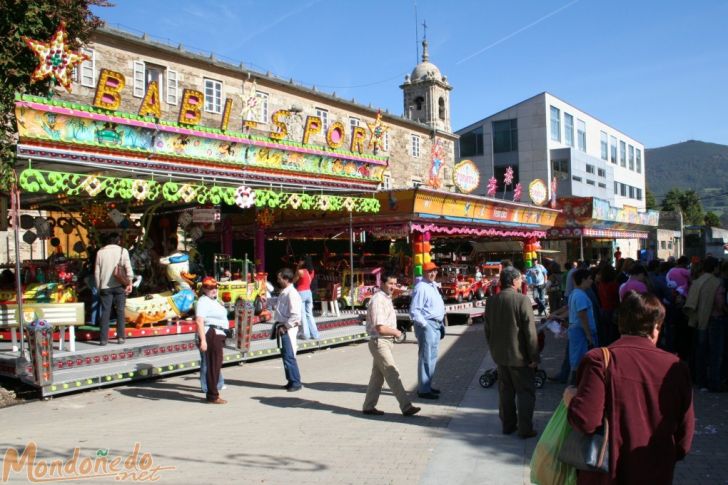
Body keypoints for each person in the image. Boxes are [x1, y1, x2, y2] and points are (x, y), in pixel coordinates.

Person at [564, 292, 695, 484]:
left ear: (620, 323)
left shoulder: (599, 360)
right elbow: (684, 439)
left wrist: (571, 401)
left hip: (607, 474)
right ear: (655, 327)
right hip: (656, 472)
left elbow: (586, 421)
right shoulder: (676, 367)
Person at [484, 266, 540, 438]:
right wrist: (534, 356)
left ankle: (508, 425)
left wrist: (493, 349)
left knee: (505, 392)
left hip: (501, 356)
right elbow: (530, 332)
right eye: (520, 279)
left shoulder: (492, 301)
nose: (521, 281)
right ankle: (525, 429)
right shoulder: (522, 300)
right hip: (520, 357)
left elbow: (487, 330)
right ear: (514, 280)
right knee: (525, 392)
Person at [362, 274, 421, 417]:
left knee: (377, 377)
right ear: (382, 283)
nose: (393, 286)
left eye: (395, 283)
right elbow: (380, 328)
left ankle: (368, 407)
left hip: (384, 342)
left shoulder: (385, 298)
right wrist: (397, 332)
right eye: (390, 283)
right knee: (392, 372)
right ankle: (406, 406)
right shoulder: (378, 300)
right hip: (380, 341)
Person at [409, 261, 446, 400]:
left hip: (435, 324)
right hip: (428, 324)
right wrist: (425, 325)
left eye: (434, 271)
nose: (433, 273)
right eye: (430, 271)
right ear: (424, 273)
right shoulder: (421, 287)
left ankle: (427, 385)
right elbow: (414, 310)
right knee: (426, 357)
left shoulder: (432, 285)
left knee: (432, 357)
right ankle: (424, 390)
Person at [264, 268, 304, 392]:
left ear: (286, 279)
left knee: (289, 356)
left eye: (280, 278)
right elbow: (278, 302)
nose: (278, 280)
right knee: (285, 356)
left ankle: (296, 382)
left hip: (288, 328)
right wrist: (267, 300)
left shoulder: (292, 294)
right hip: (283, 327)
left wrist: (285, 326)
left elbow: (296, 316)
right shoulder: (285, 292)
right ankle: (291, 380)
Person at [94, 233, 133, 345]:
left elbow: (97, 272)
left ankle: (103, 339)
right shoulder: (123, 251)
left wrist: (98, 286)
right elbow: (128, 268)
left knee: (105, 311)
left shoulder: (100, 252)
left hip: (105, 286)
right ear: (118, 241)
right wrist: (129, 283)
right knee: (120, 311)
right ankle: (121, 337)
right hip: (119, 285)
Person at [195, 277, 228, 404]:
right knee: (213, 365)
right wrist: (203, 340)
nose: (214, 290)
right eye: (210, 288)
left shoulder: (214, 301)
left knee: (216, 364)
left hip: (217, 333)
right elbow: (199, 321)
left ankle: (212, 393)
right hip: (211, 333)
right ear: (204, 289)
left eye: (215, 287)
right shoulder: (203, 301)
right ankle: (212, 395)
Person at [568, 269, 598, 384]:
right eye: (590, 278)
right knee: (580, 360)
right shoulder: (580, 295)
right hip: (580, 332)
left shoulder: (575, 294)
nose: (591, 281)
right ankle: (576, 385)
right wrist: (588, 335)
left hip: (577, 330)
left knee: (576, 359)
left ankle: (576, 384)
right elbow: (582, 315)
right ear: (583, 280)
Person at [295, 256, 319, 340]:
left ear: (303, 262)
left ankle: (306, 334)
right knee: (309, 314)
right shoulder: (311, 271)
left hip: (301, 293)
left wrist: (298, 266)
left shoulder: (300, 271)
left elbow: (294, 280)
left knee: (303, 315)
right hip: (309, 293)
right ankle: (315, 334)